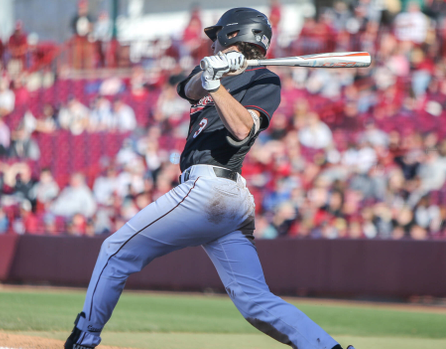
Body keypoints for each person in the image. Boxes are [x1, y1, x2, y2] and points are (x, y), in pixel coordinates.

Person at [64, 8, 354, 349]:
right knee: (254, 301)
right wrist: (210, 75)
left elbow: (244, 130)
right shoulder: (211, 69)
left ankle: (84, 337)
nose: (212, 44)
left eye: (218, 37)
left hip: (212, 189)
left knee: (115, 252)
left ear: (233, 34)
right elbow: (187, 89)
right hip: (225, 201)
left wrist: (216, 85)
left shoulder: (265, 80)